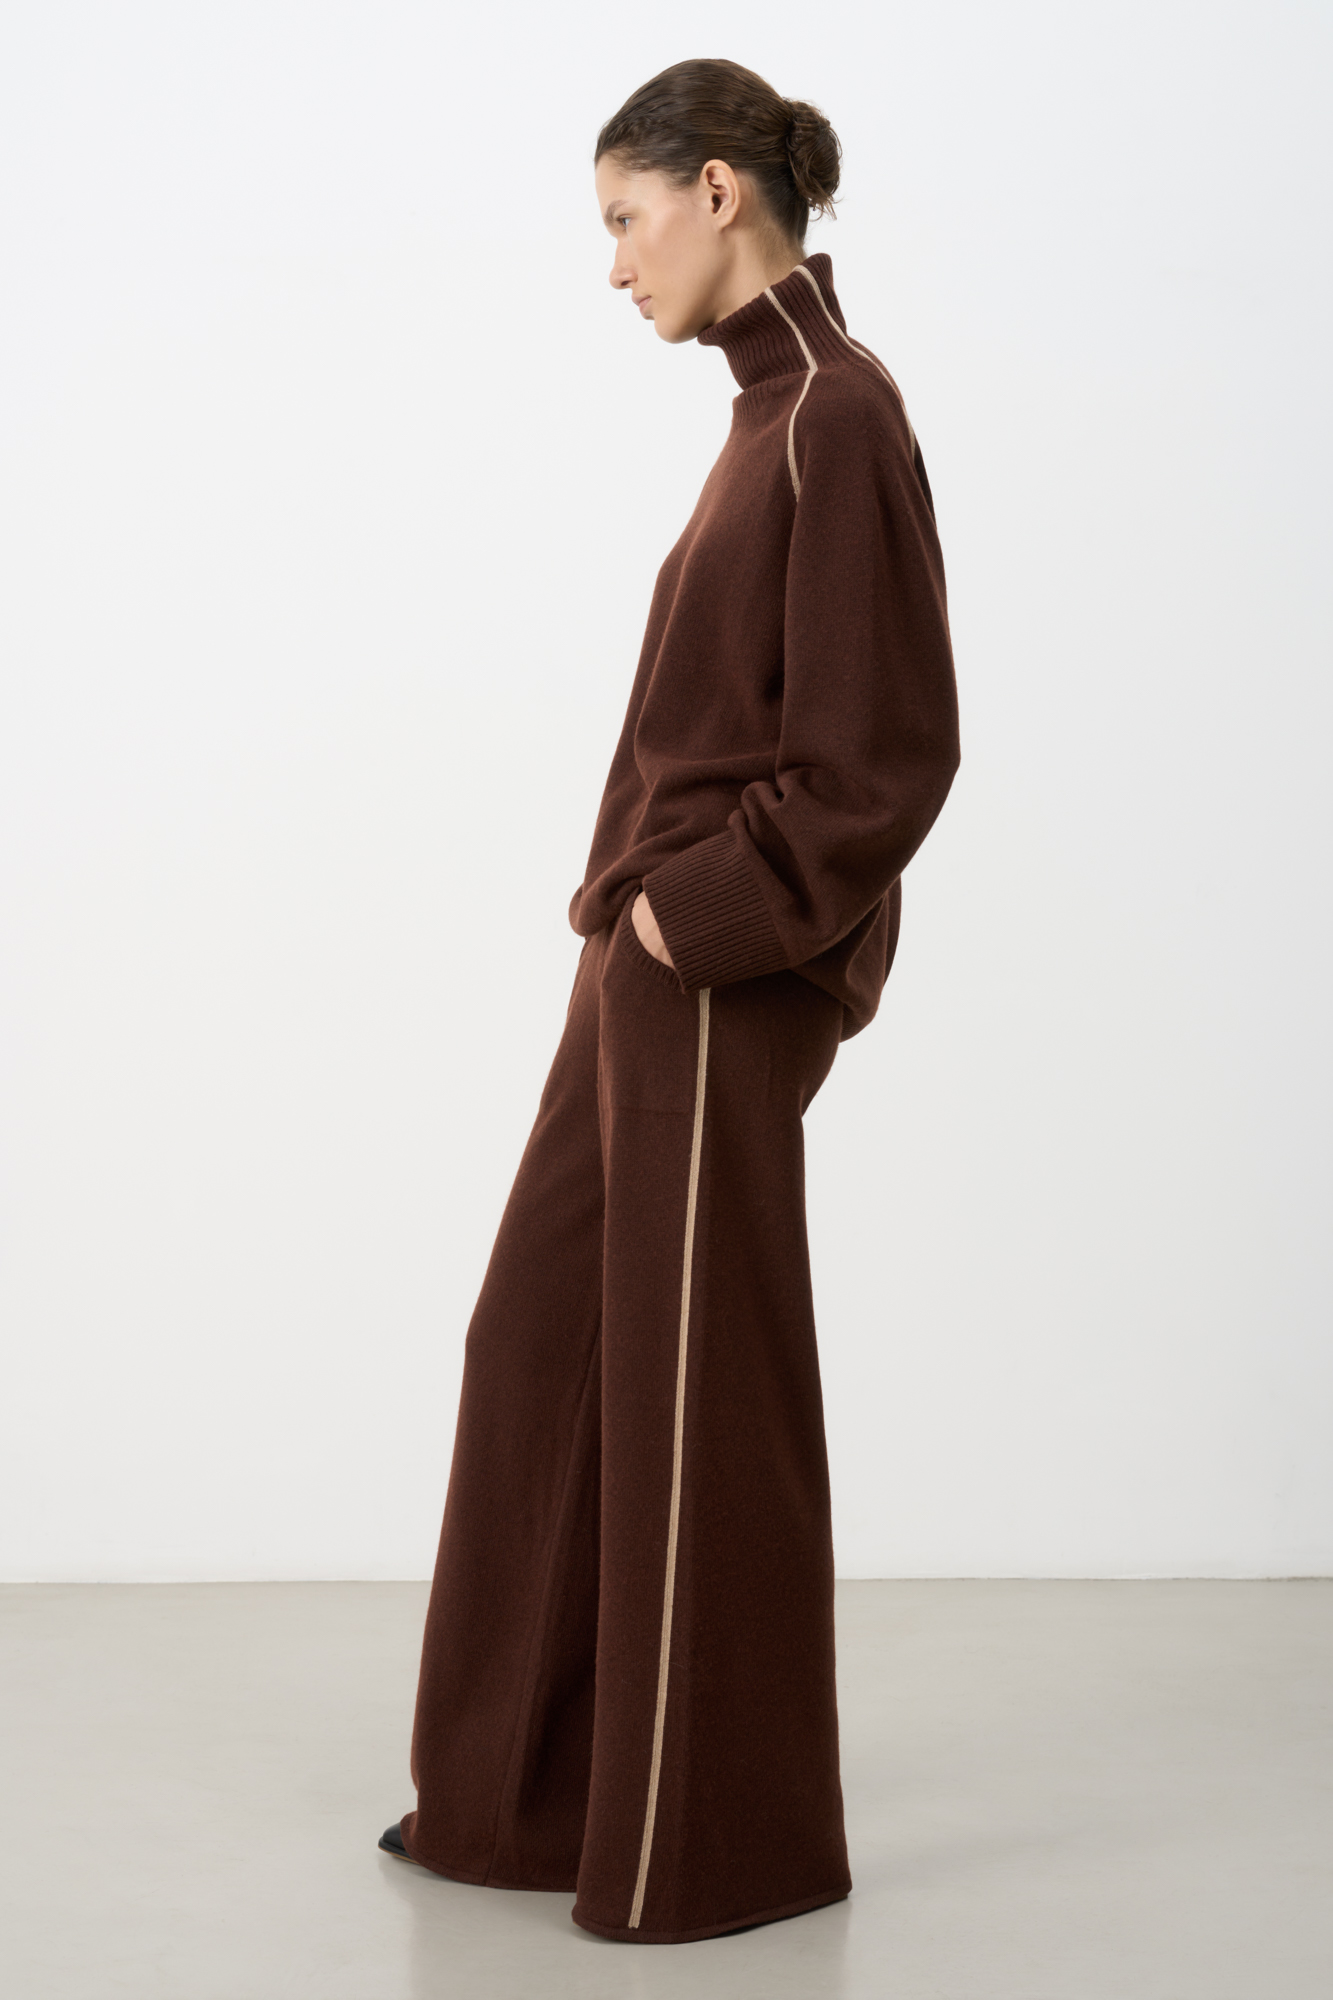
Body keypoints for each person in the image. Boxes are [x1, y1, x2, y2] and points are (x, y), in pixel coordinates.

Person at [378, 57, 960, 1945]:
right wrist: (624, 932)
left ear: (720, 191)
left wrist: (681, 926)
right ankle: (524, 1805)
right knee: (541, 1347)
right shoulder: (765, 416)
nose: (614, 265)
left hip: (715, 970)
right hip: (643, 967)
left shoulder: (838, 414)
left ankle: (713, 1846)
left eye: (626, 220)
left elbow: (881, 759)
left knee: (697, 1394)